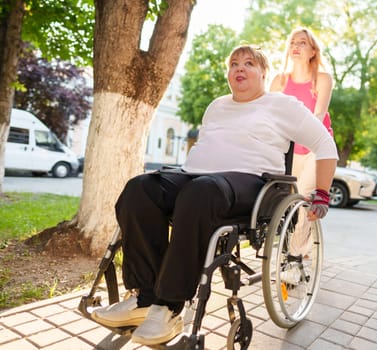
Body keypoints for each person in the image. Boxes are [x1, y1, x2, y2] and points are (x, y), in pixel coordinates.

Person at [90, 45, 338, 346]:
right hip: (196, 178)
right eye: (234, 64)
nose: (240, 68)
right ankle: (144, 297)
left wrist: (322, 194)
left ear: (263, 73)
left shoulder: (282, 105)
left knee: (200, 193)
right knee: (139, 189)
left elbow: (325, 145)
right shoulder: (217, 105)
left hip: (250, 184)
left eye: (249, 63)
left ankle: (168, 307)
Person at [269, 27, 333, 257]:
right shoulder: (279, 80)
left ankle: (293, 259)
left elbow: (318, 116)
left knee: (303, 199)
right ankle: (301, 244)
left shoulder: (323, 79)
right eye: (292, 42)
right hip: (289, 149)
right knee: (283, 203)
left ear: (313, 51)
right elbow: (270, 114)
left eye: (302, 43)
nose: (296, 46)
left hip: (316, 148)